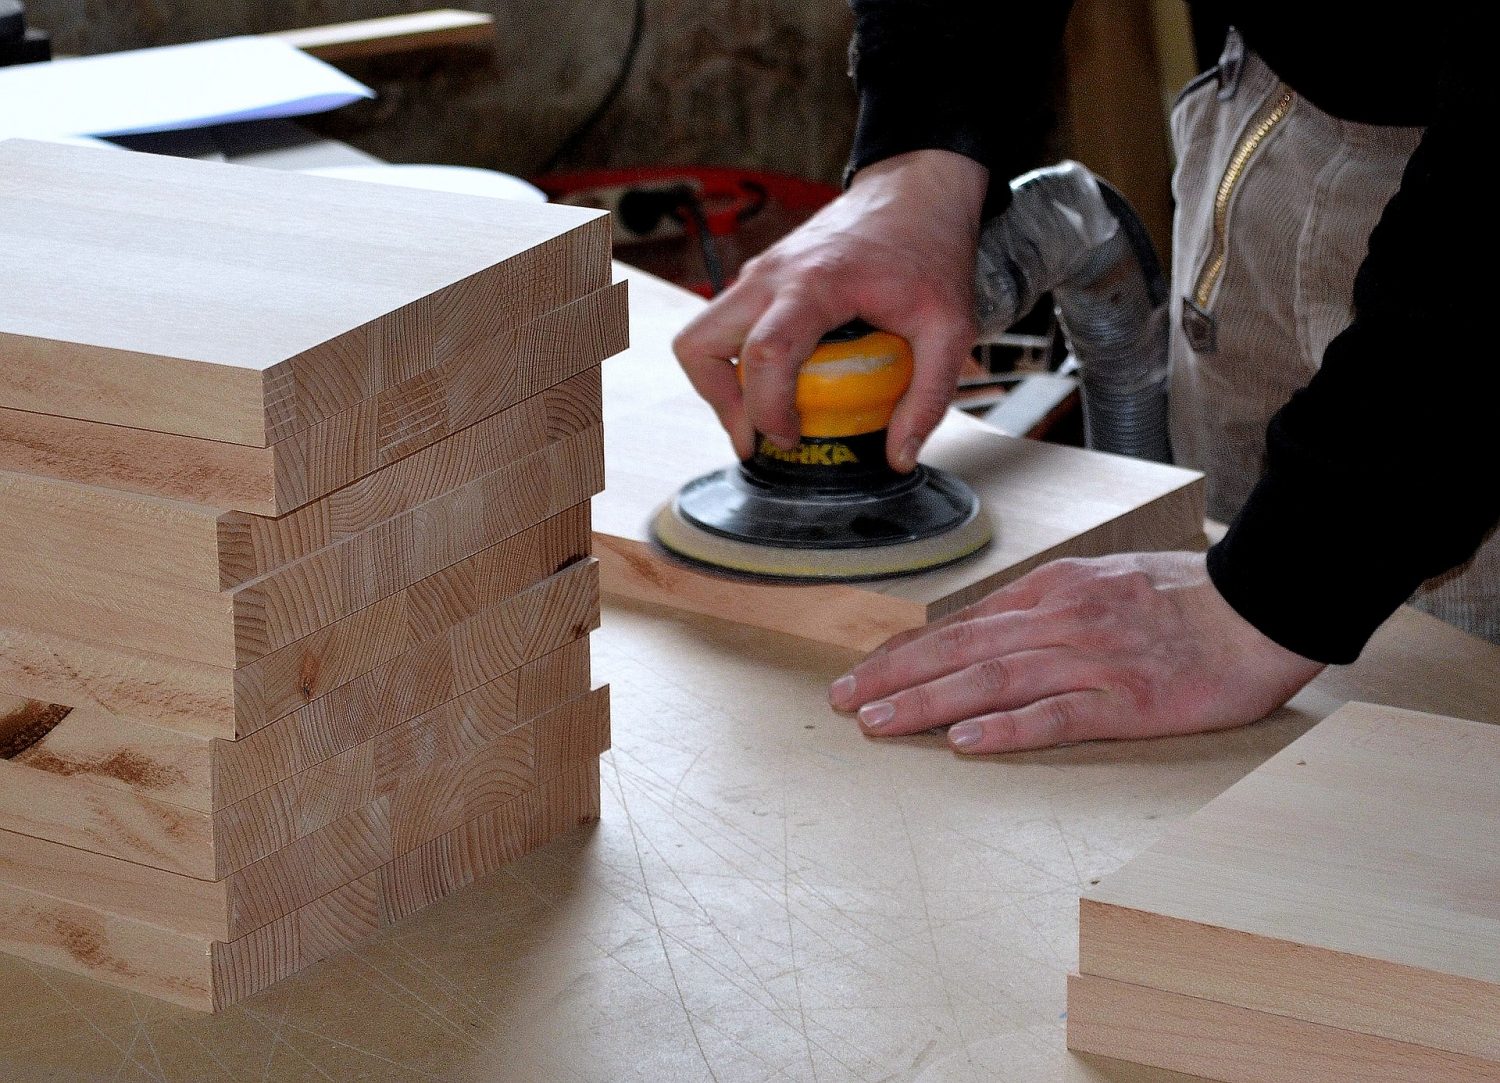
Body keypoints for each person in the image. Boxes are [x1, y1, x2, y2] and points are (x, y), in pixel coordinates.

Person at [672, 4, 1499, 755]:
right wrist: (918, 154)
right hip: (1284, 104)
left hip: (1471, 230)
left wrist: (1283, 585)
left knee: (1431, 788)